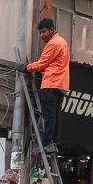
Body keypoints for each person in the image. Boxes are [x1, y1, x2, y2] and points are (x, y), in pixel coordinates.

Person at [21, 18, 70, 153]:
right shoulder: (63, 42)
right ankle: (53, 143)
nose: (42, 35)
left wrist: (26, 67)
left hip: (51, 83)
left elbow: (41, 64)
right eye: (40, 32)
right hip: (61, 85)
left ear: (52, 30)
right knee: (56, 116)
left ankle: (47, 143)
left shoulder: (53, 43)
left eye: (44, 32)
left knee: (49, 116)